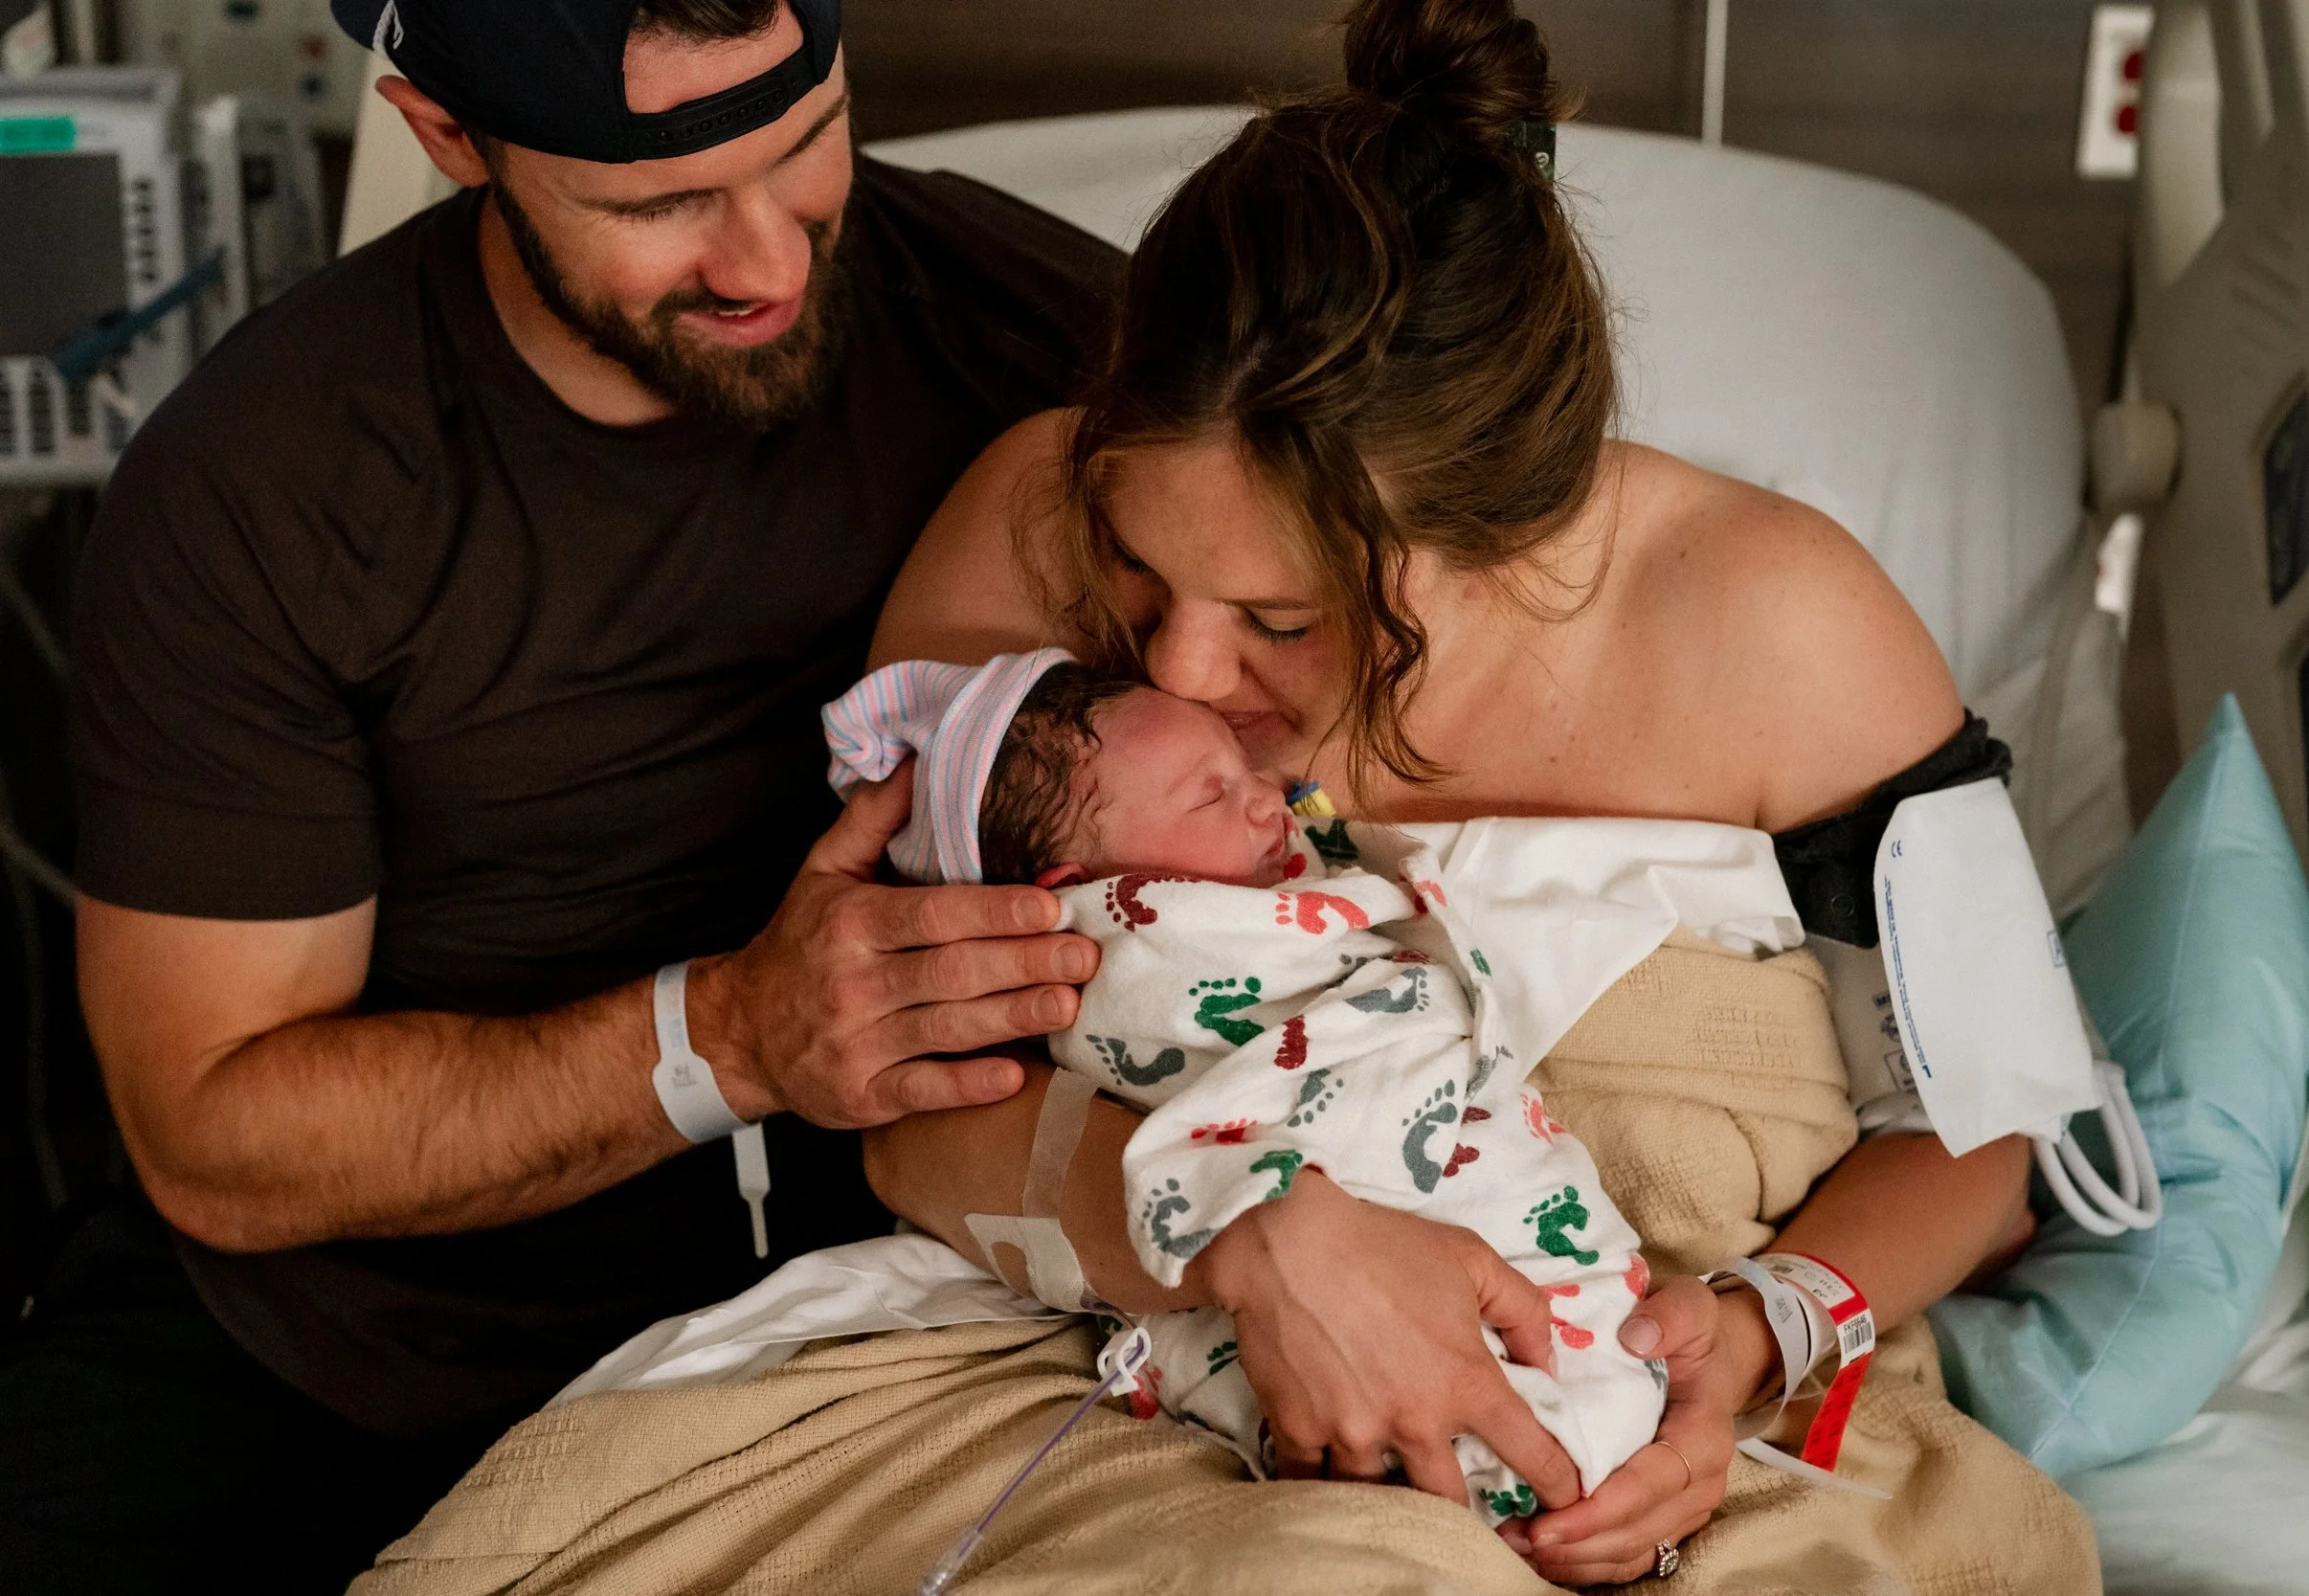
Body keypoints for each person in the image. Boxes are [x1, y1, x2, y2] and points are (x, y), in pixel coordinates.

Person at [863, 0, 2047, 1585]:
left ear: (1516, 528)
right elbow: (890, 1099)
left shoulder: (1788, 630)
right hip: (1152, 1375)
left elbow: (1979, 1125)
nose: (1189, 669)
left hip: (1653, 1395)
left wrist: (1763, 1332)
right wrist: (1245, 1229)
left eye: (1285, 622)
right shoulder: (1026, 530)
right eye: (1142, 574)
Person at [0, 1, 1127, 1589]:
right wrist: (732, 1034)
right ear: (449, 138)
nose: (768, 262)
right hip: (346, 1343)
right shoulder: (264, 493)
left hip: (885, 1312)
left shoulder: (1046, 345)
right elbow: (216, 1133)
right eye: (657, 203)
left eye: (806, 145)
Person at [820, 648, 1668, 1526]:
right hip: (1364, 1247)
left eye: (1242, 765)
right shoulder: (1147, 947)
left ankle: (1572, 1433)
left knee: (1586, 1356)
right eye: (1208, 793)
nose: (1268, 795)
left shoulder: (1291, 864)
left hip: (1505, 1230)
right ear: (1082, 892)